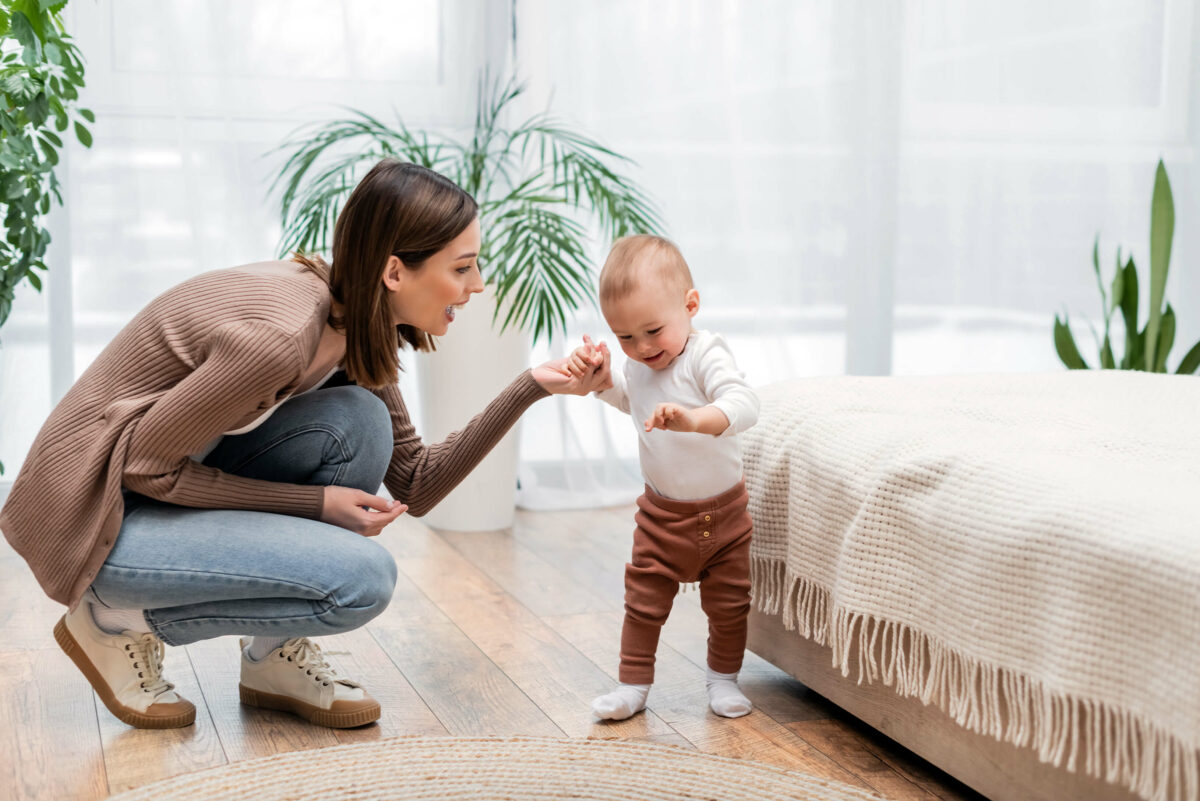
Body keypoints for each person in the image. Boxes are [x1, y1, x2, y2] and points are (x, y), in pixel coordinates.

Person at [0, 159, 609, 730]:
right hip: (98, 519)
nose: (477, 284)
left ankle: (271, 658)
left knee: (361, 421)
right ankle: (111, 618)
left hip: (156, 493)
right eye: (462, 266)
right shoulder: (281, 339)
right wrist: (315, 507)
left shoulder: (356, 326)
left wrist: (533, 385)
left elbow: (417, 484)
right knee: (362, 580)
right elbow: (144, 469)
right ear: (395, 271)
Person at [566, 234, 759, 721]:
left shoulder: (704, 353)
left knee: (729, 604)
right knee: (643, 603)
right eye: (625, 337)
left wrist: (695, 420)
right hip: (661, 517)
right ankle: (632, 685)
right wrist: (602, 381)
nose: (641, 347)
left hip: (724, 516)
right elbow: (631, 403)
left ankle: (723, 680)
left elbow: (744, 404)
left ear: (690, 306)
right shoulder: (638, 365)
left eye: (652, 330)